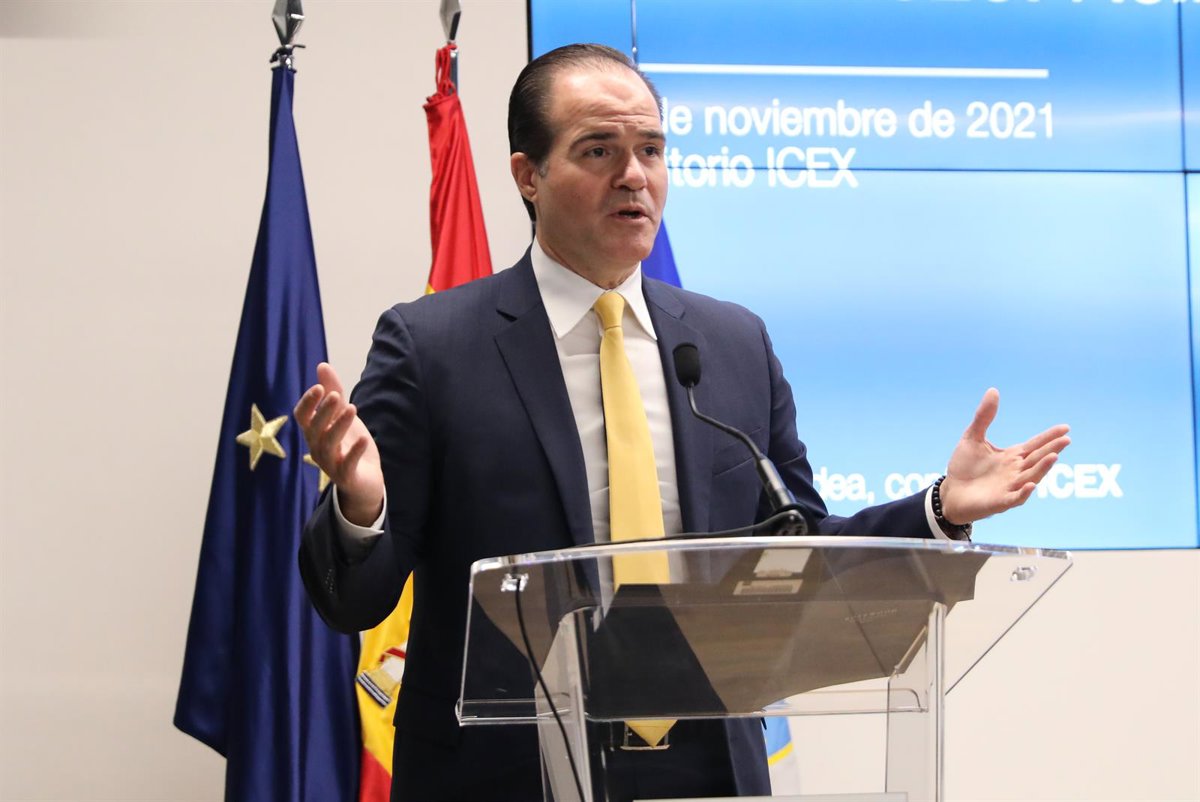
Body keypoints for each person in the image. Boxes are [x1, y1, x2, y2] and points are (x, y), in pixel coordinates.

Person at [296, 43, 1070, 802]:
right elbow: (354, 602)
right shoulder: (433, 346)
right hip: (507, 773)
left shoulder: (731, 344)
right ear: (528, 176)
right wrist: (362, 508)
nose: (634, 175)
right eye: (598, 150)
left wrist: (938, 510)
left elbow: (799, 547)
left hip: (709, 771)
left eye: (651, 150)